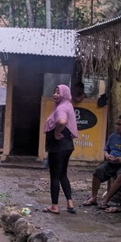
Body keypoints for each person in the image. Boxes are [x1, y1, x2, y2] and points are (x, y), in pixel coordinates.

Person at [84, 116, 121, 211]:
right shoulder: (112, 136)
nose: (117, 126)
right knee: (97, 171)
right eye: (116, 124)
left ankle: (106, 199)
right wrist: (107, 156)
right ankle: (93, 197)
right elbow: (106, 150)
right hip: (111, 163)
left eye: (120, 124)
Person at [42, 84, 78, 214]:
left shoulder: (61, 108)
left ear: (64, 94)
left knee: (54, 176)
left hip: (58, 146)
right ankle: (70, 203)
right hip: (68, 145)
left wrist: (57, 132)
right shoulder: (68, 105)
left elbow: (62, 122)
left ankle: (54, 206)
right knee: (63, 173)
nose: (55, 94)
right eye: (54, 91)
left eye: (59, 92)